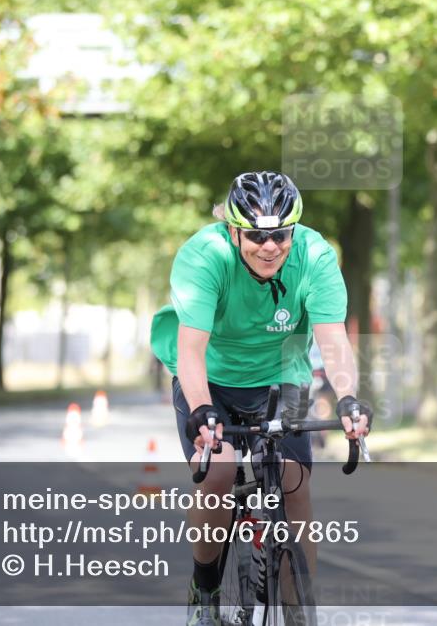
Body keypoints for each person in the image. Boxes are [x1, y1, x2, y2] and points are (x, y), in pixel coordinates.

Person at [150, 171, 371, 626]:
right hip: (207, 379)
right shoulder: (204, 255)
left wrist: (348, 398)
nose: (269, 246)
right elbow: (191, 350)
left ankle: (298, 612)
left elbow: (332, 340)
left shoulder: (314, 256)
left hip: (281, 377)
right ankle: (205, 589)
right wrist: (201, 410)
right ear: (233, 230)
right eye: (255, 235)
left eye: (280, 235)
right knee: (220, 473)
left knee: (296, 486)